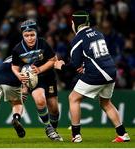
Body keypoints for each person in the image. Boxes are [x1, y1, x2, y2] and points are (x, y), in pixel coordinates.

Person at [54, 11, 130, 143]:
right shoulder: (98, 33)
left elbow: (74, 65)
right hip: (111, 71)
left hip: (97, 73)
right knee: (106, 103)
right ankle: (123, 134)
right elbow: (94, 55)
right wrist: (83, 64)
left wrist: (60, 66)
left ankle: (76, 135)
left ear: (75, 24)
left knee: (73, 98)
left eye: (72, 23)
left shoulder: (78, 39)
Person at [11, 19, 63, 141]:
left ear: (36, 34)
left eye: (32, 35)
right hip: (34, 80)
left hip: (48, 76)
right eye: (26, 35)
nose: (30, 38)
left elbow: (53, 60)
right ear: (22, 35)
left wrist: (39, 69)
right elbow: (14, 66)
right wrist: (18, 75)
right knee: (40, 101)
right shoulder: (17, 49)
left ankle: (53, 129)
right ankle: (48, 127)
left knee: (54, 108)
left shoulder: (43, 43)